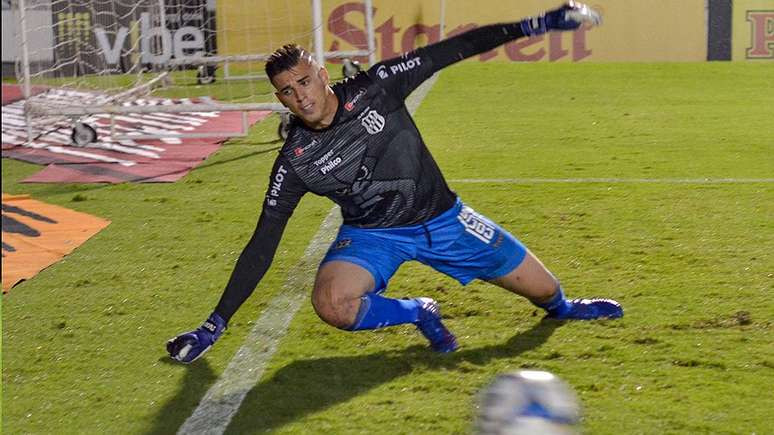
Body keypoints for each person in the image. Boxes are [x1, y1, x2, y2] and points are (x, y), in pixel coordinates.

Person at [167, 1, 622, 363]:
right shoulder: (295, 162)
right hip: (372, 235)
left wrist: (535, 24)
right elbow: (262, 244)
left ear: (323, 75)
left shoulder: (377, 87)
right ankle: (417, 310)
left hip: (445, 220)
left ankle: (564, 308)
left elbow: (455, 49)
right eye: (288, 90)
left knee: (544, 290)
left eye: (305, 81)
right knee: (332, 303)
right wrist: (214, 324)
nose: (301, 95)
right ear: (279, 98)